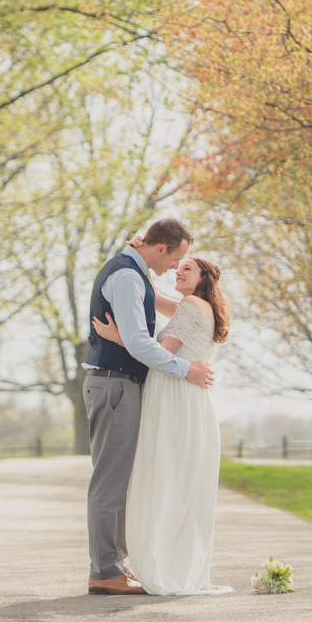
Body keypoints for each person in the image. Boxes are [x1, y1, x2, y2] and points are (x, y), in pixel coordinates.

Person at [83, 219, 215, 595]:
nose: (176, 266)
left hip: (120, 384)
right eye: (177, 258)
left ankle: (115, 566)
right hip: (114, 385)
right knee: (109, 482)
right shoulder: (126, 277)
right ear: (161, 249)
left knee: (119, 480)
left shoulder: (134, 274)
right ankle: (105, 570)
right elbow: (140, 344)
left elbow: (148, 326)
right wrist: (186, 369)